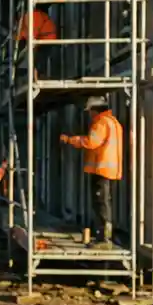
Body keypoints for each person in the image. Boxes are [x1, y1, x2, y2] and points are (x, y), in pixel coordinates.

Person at [60, 96, 124, 249]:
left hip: (101, 168)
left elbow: (91, 142)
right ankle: (104, 236)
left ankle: (103, 239)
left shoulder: (101, 123)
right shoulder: (114, 122)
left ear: (96, 110)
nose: (89, 115)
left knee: (100, 203)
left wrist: (70, 140)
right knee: (104, 202)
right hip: (109, 169)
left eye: (90, 111)